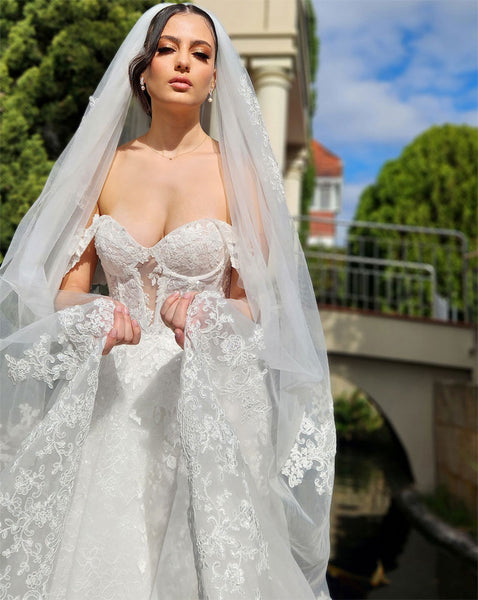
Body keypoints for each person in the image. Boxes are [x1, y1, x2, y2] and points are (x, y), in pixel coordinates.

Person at [0, 4, 335, 600]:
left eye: (201, 53)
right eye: (167, 48)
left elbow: (257, 303)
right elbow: (67, 289)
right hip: (113, 401)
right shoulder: (105, 166)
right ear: (143, 70)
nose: (183, 62)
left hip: (205, 393)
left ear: (214, 81)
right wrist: (92, 316)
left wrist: (211, 316)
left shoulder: (241, 177)